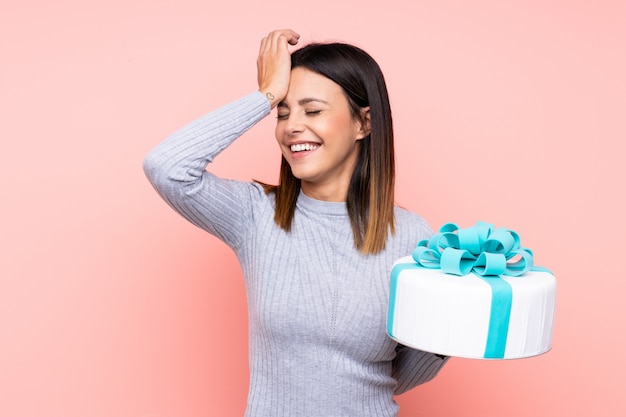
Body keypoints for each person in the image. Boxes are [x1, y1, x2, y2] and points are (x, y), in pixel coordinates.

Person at [144, 29, 448, 417]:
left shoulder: (414, 237)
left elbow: (411, 364)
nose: (290, 127)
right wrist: (264, 95)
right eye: (283, 112)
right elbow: (166, 168)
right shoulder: (255, 216)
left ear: (363, 124)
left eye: (313, 110)